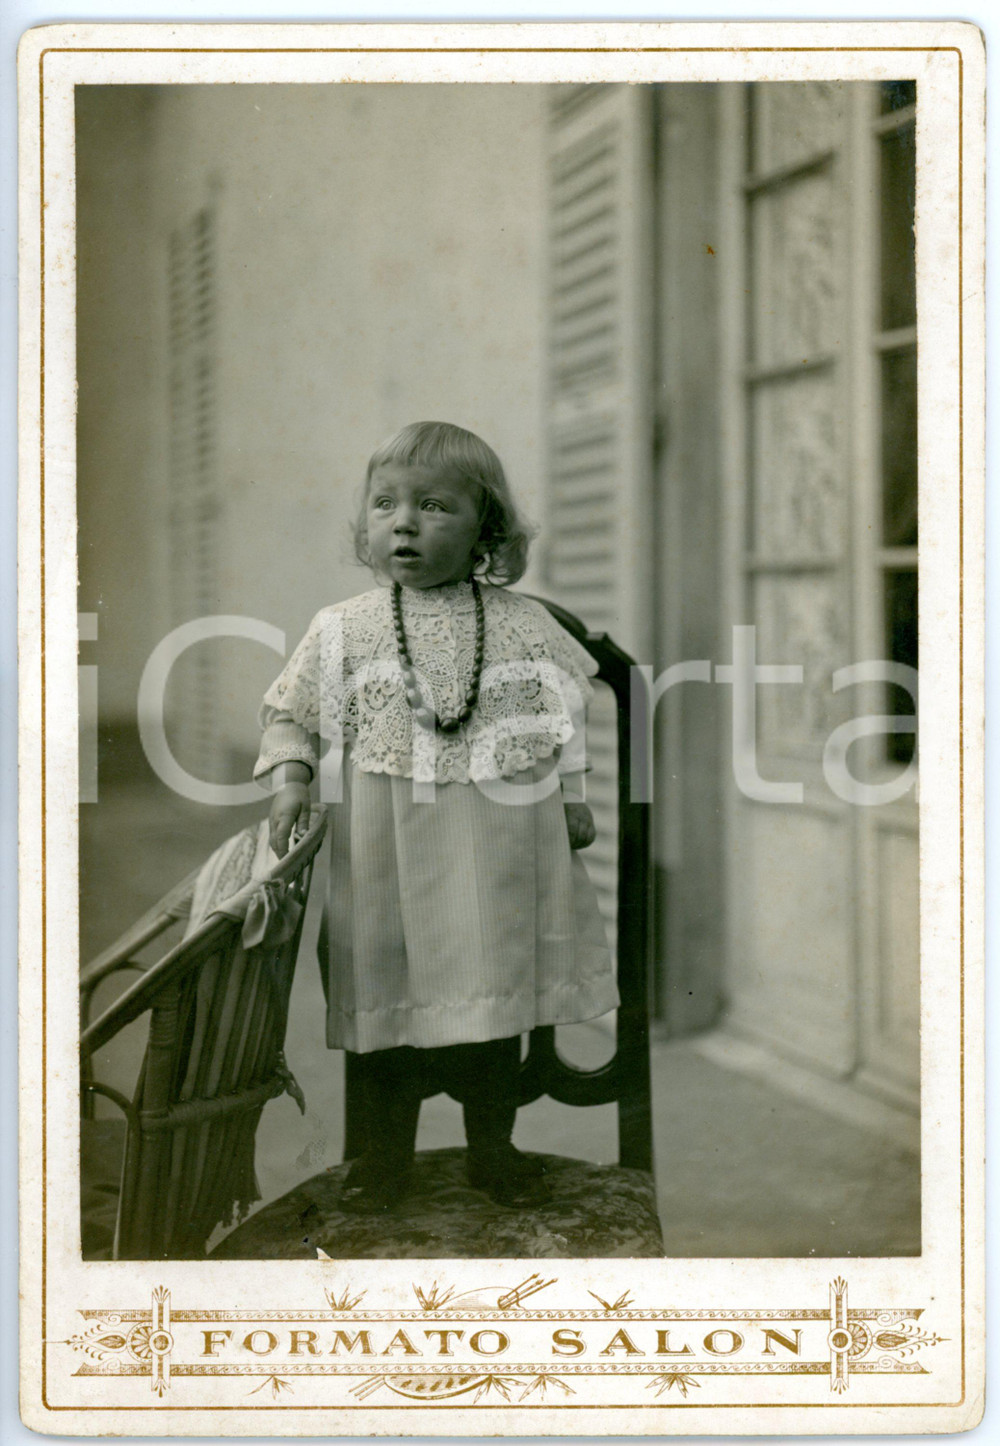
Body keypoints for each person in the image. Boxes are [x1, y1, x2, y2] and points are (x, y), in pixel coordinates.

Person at [254, 420, 617, 1213]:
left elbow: (565, 711)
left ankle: (494, 1149)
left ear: (486, 529)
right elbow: (292, 716)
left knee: (490, 995)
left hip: (493, 843)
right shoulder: (343, 627)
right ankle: (384, 1160)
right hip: (383, 845)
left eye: (433, 506)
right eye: (385, 505)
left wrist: (576, 794)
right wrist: (290, 778)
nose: (405, 523)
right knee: (386, 999)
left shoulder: (519, 625)